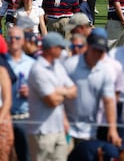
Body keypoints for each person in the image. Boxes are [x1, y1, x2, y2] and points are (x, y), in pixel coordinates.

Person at [64, 29, 122, 147]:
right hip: (68, 128)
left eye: (101, 51)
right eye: (95, 50)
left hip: (91, 130)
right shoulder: (70, 65)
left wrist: (112, 129)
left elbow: (109, 101)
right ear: (88, 47)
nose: (98, 54)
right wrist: (63, 120)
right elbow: (60, 97)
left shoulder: (105, 71)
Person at [27, 32, 76, 160]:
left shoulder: (58, 66)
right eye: (60, 47)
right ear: (51, 49)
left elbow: (74, 91)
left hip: (59, 129)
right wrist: (64, 92)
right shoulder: (38, 70)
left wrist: (60, 92)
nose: (63, 50)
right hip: (41, 132)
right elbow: (52, 101)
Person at [3, 26, 35, 161]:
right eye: (10, 38)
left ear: (23, 41)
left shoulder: (32, 64)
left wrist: (31, 92)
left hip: (25, 118)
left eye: (17, 38)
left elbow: (42, 89)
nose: (13, 41)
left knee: (25, 156)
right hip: (4, 118)